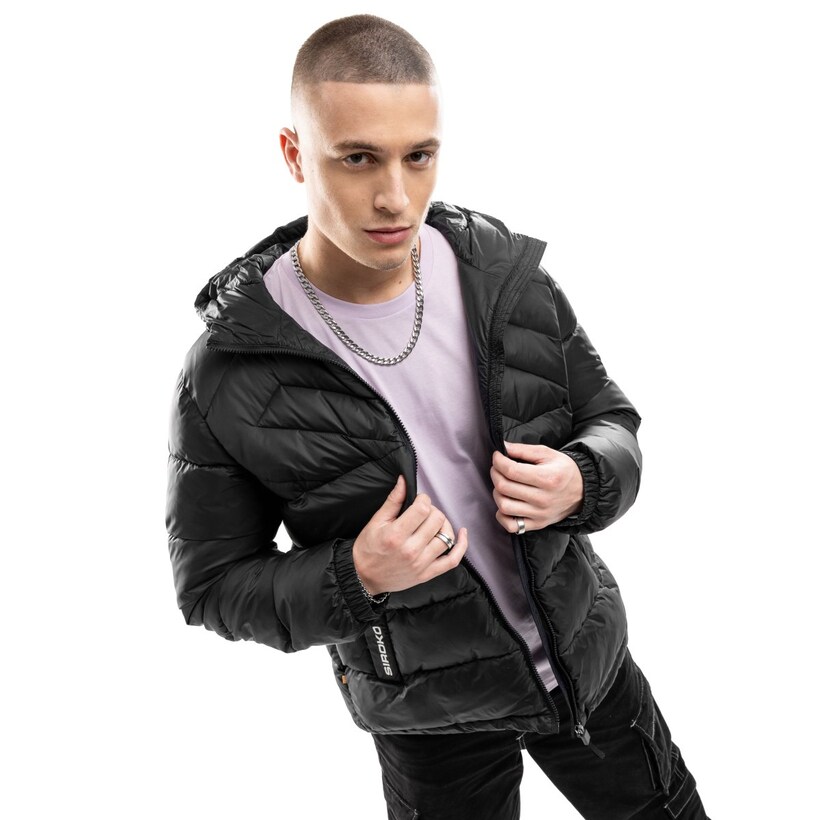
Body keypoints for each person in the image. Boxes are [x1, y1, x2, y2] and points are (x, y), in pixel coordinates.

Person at [165, 14, 710, 820]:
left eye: (418, 156)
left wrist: (583, 477)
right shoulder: (230, 368)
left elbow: (611, 420)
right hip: (428, 717)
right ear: (294, 155)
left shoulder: (504, 278)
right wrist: (355, 575)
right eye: (358, 158)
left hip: (586, 662)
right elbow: (211, 587)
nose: (396, 196)